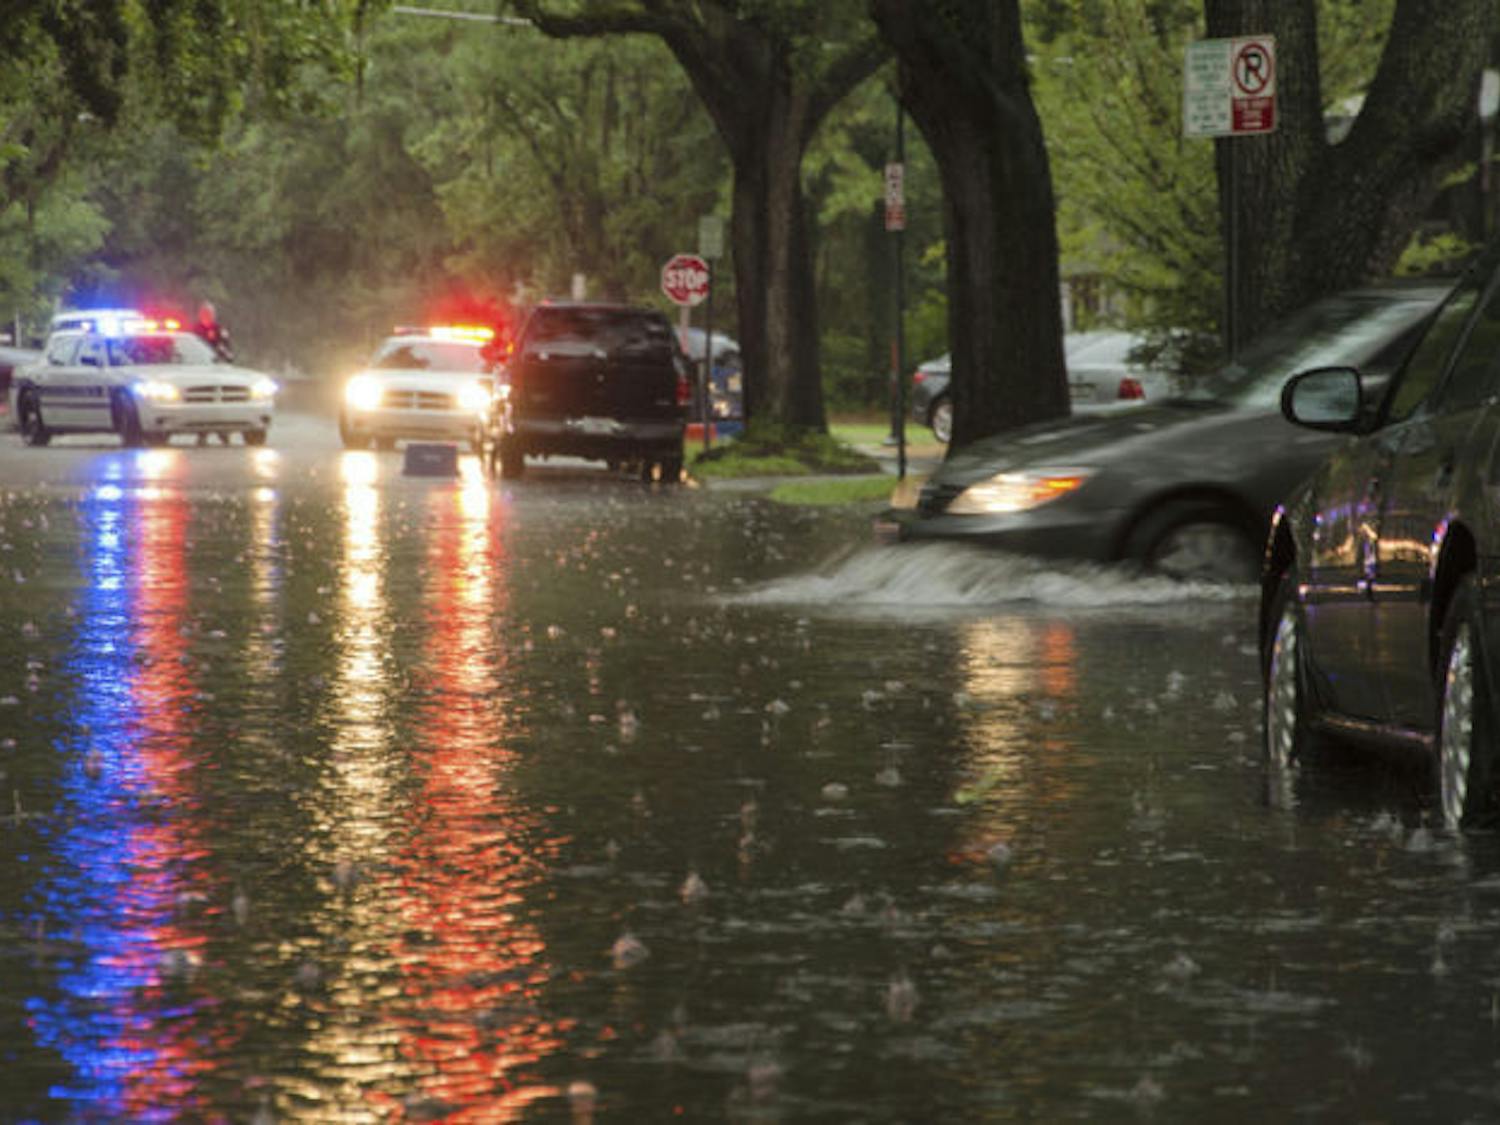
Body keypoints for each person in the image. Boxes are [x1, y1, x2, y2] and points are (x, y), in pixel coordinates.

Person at [193, 302, 235, 443]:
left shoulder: (219, 329)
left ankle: (224, 432)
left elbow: (227, 347)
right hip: (199, 371)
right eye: (204, 313)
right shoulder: (195, 330)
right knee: (201, 402)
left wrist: (226, 356)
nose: (207, 316)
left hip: (217, 370)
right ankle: (202, 433)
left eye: (209, 314)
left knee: (222, 400)